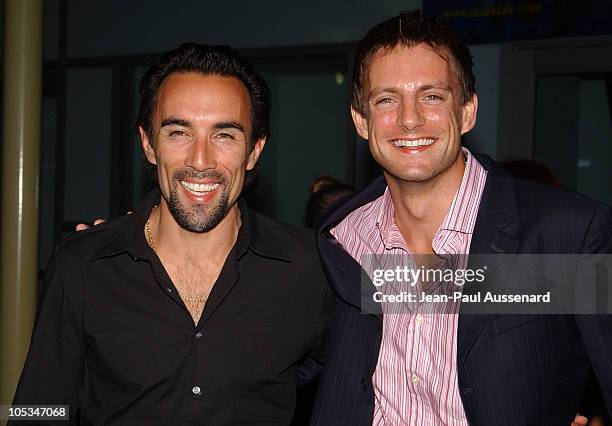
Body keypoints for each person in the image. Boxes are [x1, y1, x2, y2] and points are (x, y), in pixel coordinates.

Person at [310, 10, 611, 426]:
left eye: (432, 96)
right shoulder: (341, 240)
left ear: (467, 111)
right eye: (386, 99)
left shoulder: (568, 235)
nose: (409, 118)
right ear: (361, 121)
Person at [13, 43, 332, 425]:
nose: (200, 160)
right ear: (148, 144)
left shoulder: (310, 269)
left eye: (224, 135)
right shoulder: (83, 265)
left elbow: (387, 354)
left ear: (254, 151)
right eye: (179, 132)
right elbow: (37, 411)